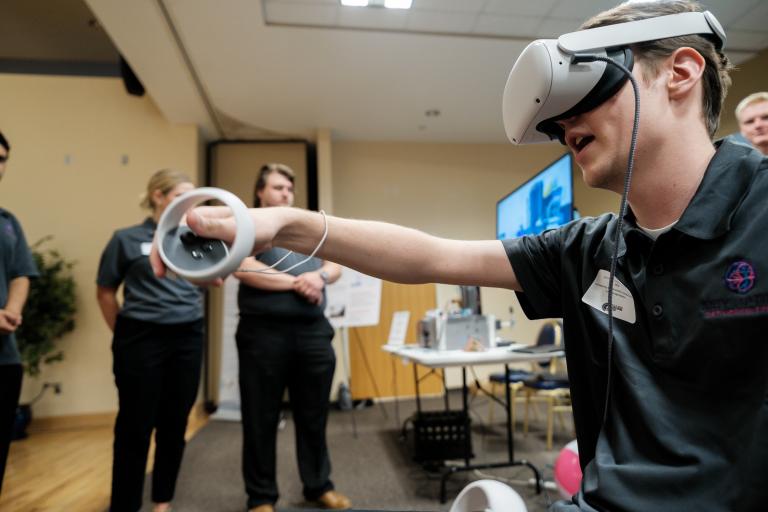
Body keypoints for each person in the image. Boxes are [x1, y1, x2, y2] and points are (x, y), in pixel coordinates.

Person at [153, 1, 767, 509]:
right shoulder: (589, 248)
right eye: (553, 120)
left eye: (591, 84)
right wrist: (281, 223)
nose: (562, 126)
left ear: (680, 73)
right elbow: (430, 257)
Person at [233, 163, 347, 512]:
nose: (286, 194)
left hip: (312, 333)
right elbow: (242, 266)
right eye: (279, 187)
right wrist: (301, 282)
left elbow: (336, 262)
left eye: (289, 189)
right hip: (263, 334)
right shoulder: (246, 223)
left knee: (314, 415)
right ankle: (261, 497)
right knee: (260, 417)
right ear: (260, 191)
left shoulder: (307, 225)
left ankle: (317, 486)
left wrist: (321, 277)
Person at [97, 169, 203, 512]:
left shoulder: (196, 237)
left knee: (175, 424)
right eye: (180, 196)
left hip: (188, 337)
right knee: (135, 425)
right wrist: (125, 334)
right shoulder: (125, 239)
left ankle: (162, 501)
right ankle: (125, 505)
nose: (187, 204)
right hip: (140, 337)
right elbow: (105, 291)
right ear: (158, 195)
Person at [0, 131, 39, 496]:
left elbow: (20, 273)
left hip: (4, 355)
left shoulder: (8, 220)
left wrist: (11, 309)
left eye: (1, 158)